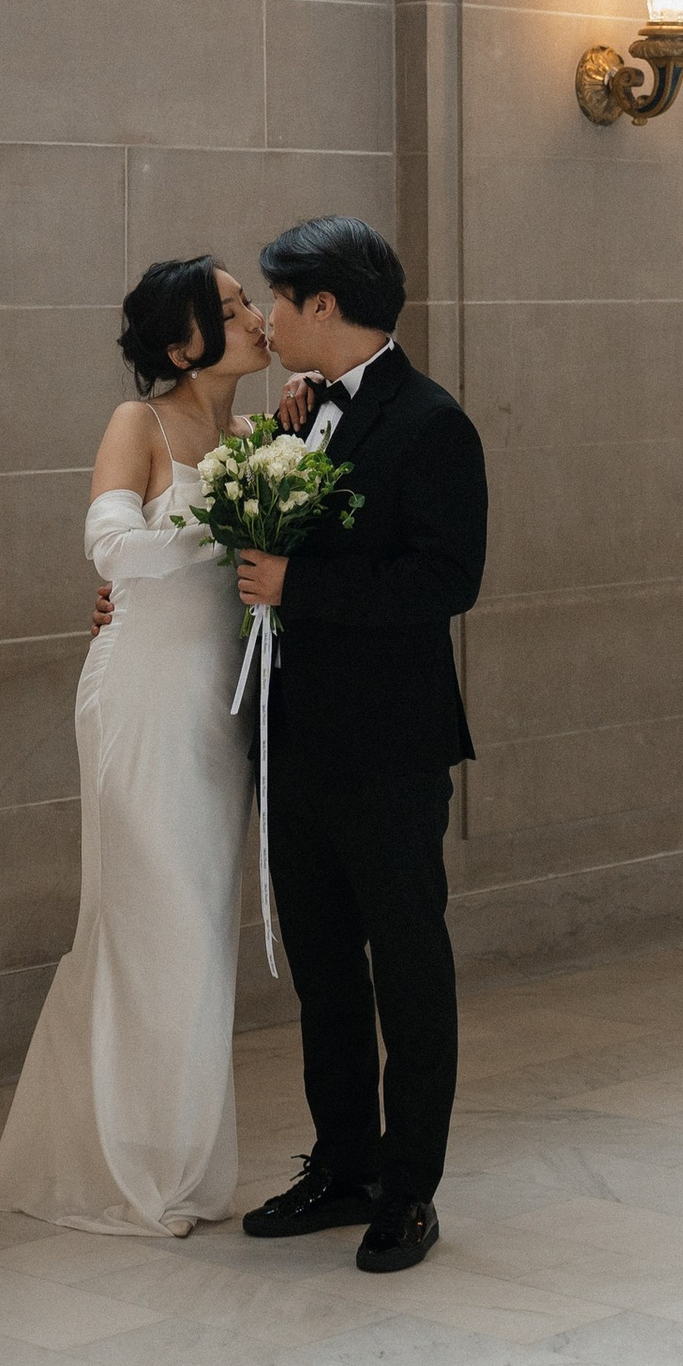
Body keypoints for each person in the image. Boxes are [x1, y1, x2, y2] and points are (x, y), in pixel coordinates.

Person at [0, 259, 268, 1235]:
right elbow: (112, 547)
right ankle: (128, 1169)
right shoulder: (136, 426)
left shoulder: (262, 439)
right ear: (183, 345)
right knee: (149, 918)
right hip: (141, 690)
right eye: (229, 311)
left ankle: (180, 1163)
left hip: (216, 708)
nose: (254, 318)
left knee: (201, 927)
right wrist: (214, 523)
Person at [233, 217, 486, 1275]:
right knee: (324, 970)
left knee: (406, 967)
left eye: (279, 301)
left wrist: (304, 586)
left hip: (387, 747)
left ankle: (409, 1189)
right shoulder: (300, 416)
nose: (270, 319)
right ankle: (343, 1164)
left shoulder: (431, 423)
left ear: (324, 306)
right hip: (296, 742)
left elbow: (446, 581)